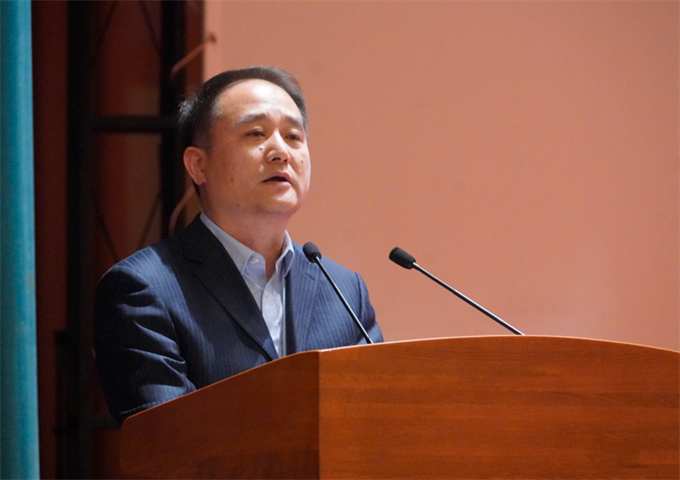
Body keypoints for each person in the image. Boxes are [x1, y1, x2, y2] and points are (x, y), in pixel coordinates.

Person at [94, 66, 383, 424]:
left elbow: (377, 422)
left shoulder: (344, 292)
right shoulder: (143, 289)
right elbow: (170, 440)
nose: (281, 151)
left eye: (294, 136)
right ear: (198, 165)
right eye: (256, 133)